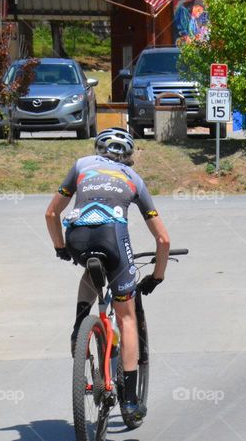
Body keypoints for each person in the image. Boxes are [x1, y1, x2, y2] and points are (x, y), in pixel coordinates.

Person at [44, 127, 170, 423]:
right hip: (112, 237)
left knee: (90, 270)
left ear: (97, 150)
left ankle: (79, 327)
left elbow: (51, 214)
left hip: (77, 237)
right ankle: (129, 402)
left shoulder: (81, 166)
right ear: (129, 158)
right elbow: (163, 240)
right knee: (126, 316)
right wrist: (157, 276)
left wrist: (60, 247)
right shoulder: (133, 179)